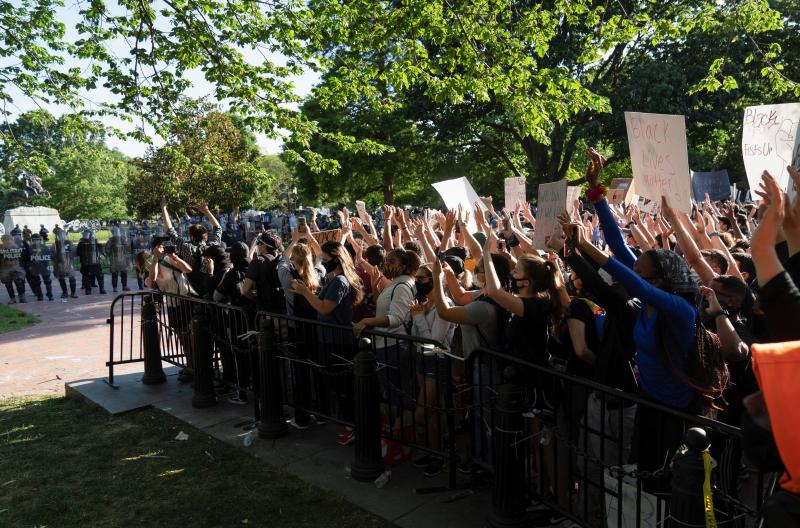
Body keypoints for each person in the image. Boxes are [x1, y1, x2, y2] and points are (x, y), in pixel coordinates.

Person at [291, 240, 364, 445]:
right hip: (329, 339)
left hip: (337, 342)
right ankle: (349, 423)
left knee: (343, 387)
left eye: (325, 258)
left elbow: (324, 308)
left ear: (336, 258)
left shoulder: (340, 281)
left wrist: (305, 292)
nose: (322, 261)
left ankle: (352, 425)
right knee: (337, 386)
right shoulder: (335, 279)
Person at [145, 238, 195, 382]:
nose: (163, 248)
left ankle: (195, 365)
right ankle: (191, 365)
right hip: (174, 303)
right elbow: (152, 279)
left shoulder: (170, 258)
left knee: (191, 335)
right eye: (160, 246)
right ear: (154, 248)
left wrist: (175, 257)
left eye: (164, 246)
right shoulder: (151, 261)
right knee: (183, 336)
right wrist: (155, 257)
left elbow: (188, 269)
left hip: (188, 299)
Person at [161, 199, 221, 297]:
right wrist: (206, 211)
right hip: (210, 289)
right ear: (205, 236)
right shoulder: (213, 247)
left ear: (192, 237)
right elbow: (218, 228)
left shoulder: (186, 248)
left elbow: (170, 231)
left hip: (191, 292)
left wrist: (163, 208)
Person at [242, 230, 286, 313]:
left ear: (264, 245)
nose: (257, 245)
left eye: (258, 242)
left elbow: (245, 290)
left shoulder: (257, 261)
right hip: (283, 309)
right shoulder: (283, 259)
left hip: (266, 311)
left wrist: (257, 299)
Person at [26, 233, 54, 301]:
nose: (36, 241)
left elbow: (50, 257)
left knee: (47, 281)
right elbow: (27, 258)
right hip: (35, 267)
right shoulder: (30, 248)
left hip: (44, 266)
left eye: (37, 240)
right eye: (34, 240)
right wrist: (30, 266)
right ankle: (40, 295)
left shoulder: (44, 247)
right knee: (37, 282)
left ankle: (49, 295)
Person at [76, 229, 105, 294]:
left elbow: (100, 251)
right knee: (86, 276)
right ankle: (88, 289)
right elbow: (78, 253)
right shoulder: (81, 243)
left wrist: (101, 255)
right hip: (85, 262)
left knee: (99, 275)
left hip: (95, 262)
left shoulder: (95, 242)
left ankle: (101, 289)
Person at [0, 234, 27, 304]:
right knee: (8, 284)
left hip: (16, 267)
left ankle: (22, 296)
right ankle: (12, 298)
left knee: (19, 282)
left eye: (8, 240)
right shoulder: (1, 248)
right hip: (5, 268)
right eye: (4, 241)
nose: (7, 242)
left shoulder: (16, 247)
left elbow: (23, 256)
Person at [53, 229, 78, 299]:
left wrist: (71, 257)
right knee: (61, 278)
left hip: (69, 262)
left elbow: (73, 252)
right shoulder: (55, 244)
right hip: (60, 263)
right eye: (60, 234)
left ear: (65, 235)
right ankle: (65, 292)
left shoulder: (69, 242)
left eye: (63, 234)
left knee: (72, 277)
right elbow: (53, 254)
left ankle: (73, 293)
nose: (61, 236)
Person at [106, 225, 131, 293]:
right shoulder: (110, 240)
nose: (116, 233)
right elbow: (107, 249)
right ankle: (115, 287)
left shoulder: (122, 238)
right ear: (113, 232)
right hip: (114, 259)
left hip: (122, 258)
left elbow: (126, 247)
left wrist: (126, 254)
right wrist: (109, 254)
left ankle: (124, 286)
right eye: (115, 231)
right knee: (114, 274)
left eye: (117, 231)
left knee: (124, 273)